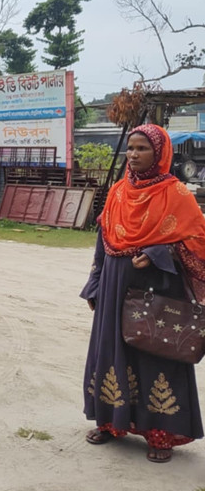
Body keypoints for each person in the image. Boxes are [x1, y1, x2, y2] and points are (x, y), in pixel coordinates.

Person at [81, 123, 204, 463]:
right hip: (114, 285)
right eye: (130, 149)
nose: (133, 155)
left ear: (160, 153)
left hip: (157, 285)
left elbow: (195, 240)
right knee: (110, 350)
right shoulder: (119, 190)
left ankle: (159, 433)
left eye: (141, 149)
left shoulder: (176, 194)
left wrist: (156, 252)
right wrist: (94, 282)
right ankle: (110, 422)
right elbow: (104, 238)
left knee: (155, 353)